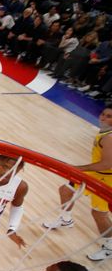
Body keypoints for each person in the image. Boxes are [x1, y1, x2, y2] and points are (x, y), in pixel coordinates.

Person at [43, 105, 112, 261]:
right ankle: (66, 219)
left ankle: (110, 245)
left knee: (99, 214)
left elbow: (107, 164)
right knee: (66, 190)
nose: (103, 117)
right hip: (96, 173)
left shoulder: (109, 137)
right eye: (103, 114)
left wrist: (78, 168)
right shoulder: (104, 133)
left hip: (106, 178)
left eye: (109, 116)